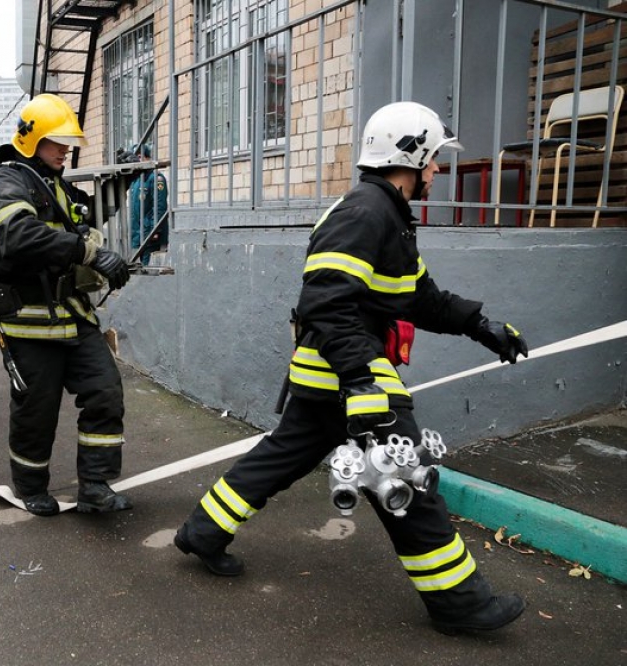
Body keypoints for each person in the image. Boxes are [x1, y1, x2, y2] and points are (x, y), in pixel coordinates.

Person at [173, 101, 530, 634]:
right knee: (405, 479)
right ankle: (460, 605)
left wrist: (484, 328)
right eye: (434, 160)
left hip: (329, 378)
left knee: (280, 457)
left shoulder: (385, 215)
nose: (437, 170)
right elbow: (326, 302)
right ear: (412, 156)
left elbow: (421, 299)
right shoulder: (366, 213)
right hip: (351, 379)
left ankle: (202, 532)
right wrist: (363, 381)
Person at [0, 93, 133, 516]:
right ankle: (30, 487)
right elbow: (17, 235)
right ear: (32, 141)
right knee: (36, 410)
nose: (66, 149)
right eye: (57, 142)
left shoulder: (53, 183)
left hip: (71, 314)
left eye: (68, 142)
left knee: (104, 392)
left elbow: (83, 216)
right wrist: (89, 253)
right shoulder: (7, 182)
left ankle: (95, 487)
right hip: (26, 321)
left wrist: (124, 177)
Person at [127, 143, 168, 266]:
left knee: (148, 269)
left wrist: (155, 230)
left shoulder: (156, 178)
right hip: (137, 233)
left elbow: (160, 207)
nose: (136, 162)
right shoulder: (136, 179)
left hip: (150, 234)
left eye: (139, 157)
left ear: (147, 158)